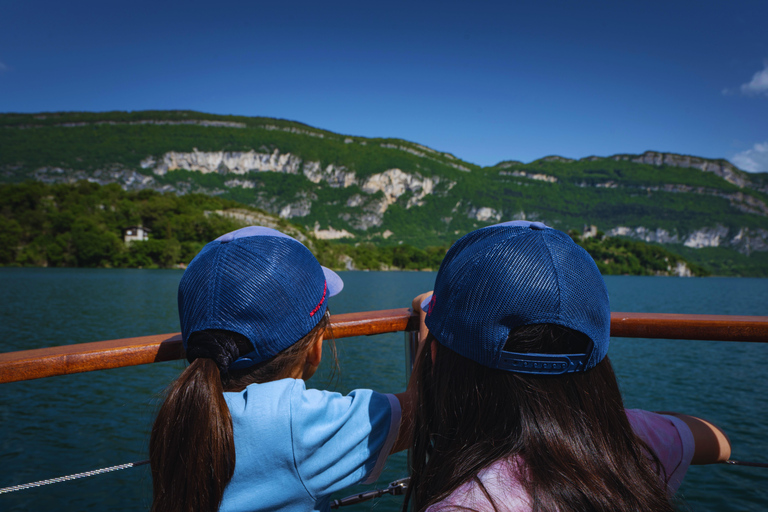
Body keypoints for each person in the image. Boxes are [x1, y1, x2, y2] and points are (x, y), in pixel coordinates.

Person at [404, 221, 731, 512]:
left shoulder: (468, 504)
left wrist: (431, 321)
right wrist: (625, 420)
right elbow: (718, 442)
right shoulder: (630, 442)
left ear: (435, 357)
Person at [150, 226, 417, 512]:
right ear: (315, 347)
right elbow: (424, 409)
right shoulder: (295, 424)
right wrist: (429, 309)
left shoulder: (182, 407)